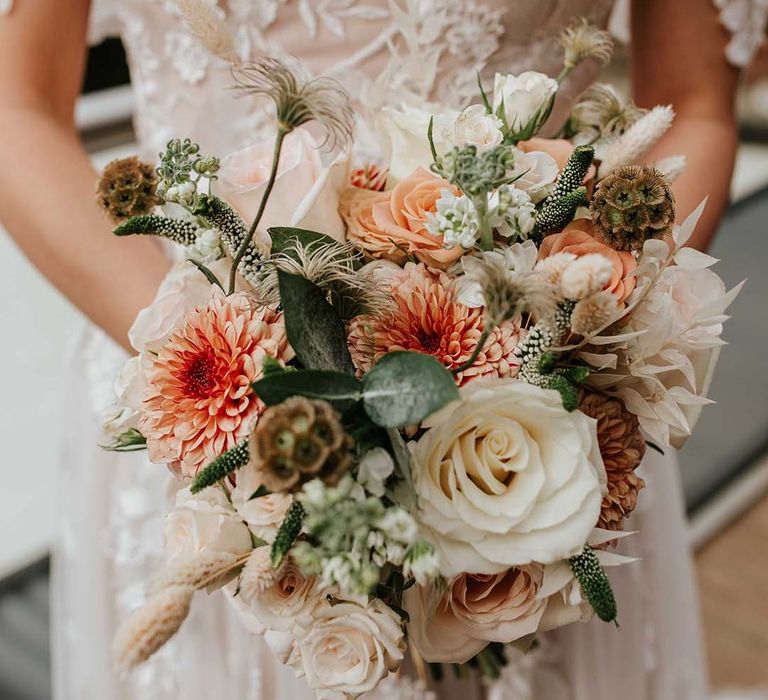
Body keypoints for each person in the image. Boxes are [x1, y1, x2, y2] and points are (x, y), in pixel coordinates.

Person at [0, 1, 764, 699]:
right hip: (192, 397)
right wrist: (226, 357)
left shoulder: (543, 368)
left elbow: (694, 105)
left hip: (537, 415)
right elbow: (16, 105)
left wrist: (567, 328)